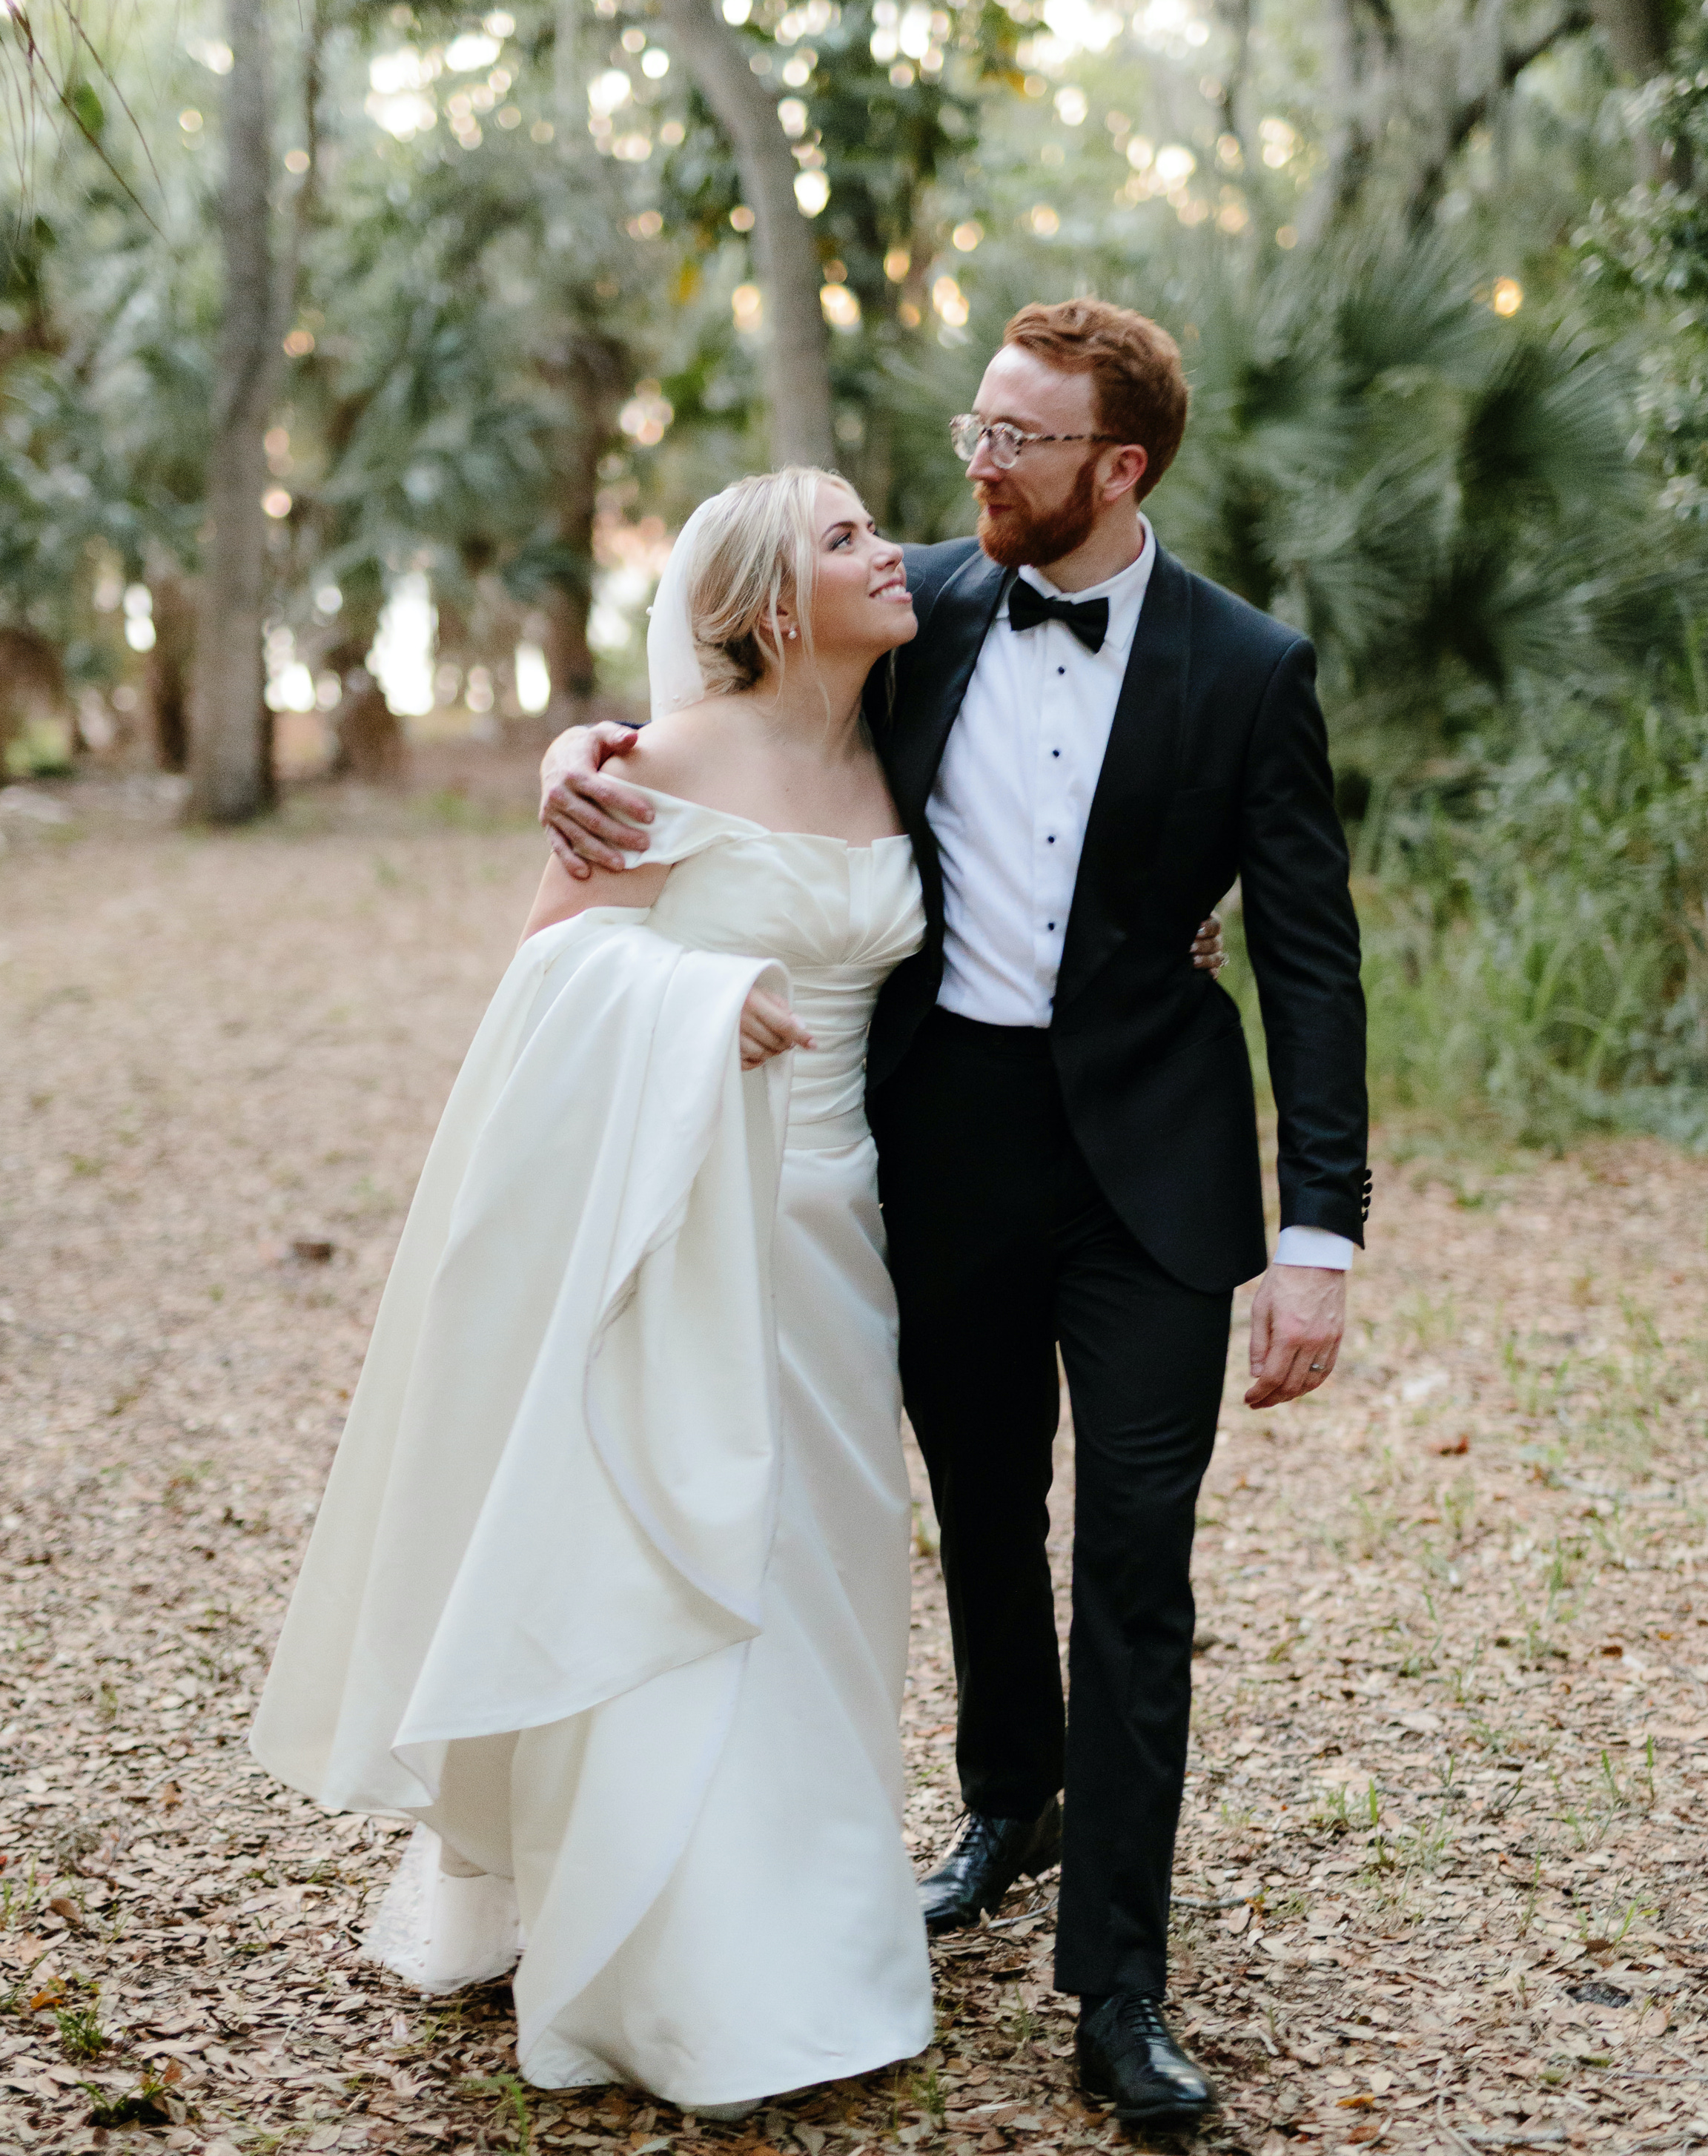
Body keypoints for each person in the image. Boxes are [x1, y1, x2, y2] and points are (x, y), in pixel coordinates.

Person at [539, 298, 1369, 2134]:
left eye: (1020, 440)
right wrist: (581, 755)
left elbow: (1311, 958)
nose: (975, 463)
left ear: (1119, 466)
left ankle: (1120, 1978)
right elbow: (732, 695)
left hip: (1155, 1172)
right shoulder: (908, 603)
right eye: (976, 425)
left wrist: (1322, 1229)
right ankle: (1013, 1790)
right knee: (982, 1505)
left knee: (1133, 1560)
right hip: (940, 1144)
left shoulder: (1248, 669)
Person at [251, 469, 941, 2114]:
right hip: (688, 1207)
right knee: (686, 1544)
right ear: (772, 602)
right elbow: (549, 967)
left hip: (845, 1230)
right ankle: (682, 1962)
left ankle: (816, 1893)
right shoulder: (666, 763)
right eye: (844, 537)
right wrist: (705, 1000)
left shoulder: (894, 739)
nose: (888, 548)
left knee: (823, 1564)